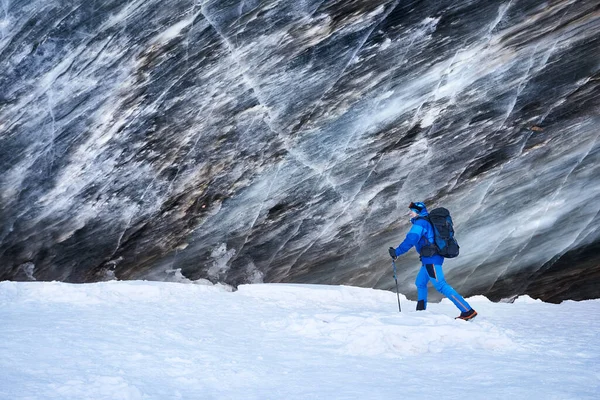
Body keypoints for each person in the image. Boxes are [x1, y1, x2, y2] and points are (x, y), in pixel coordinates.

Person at [388, 202, 477, 321]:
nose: (409, 213)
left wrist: (396, 252)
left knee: (440, 285)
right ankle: (420, 311)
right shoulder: (426, 221)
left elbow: (411, 240)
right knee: (420, 282)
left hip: (432, 259)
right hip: (428, 259)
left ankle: (467, 311)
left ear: (418, 212)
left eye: (412, 211)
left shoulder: (421, 223)